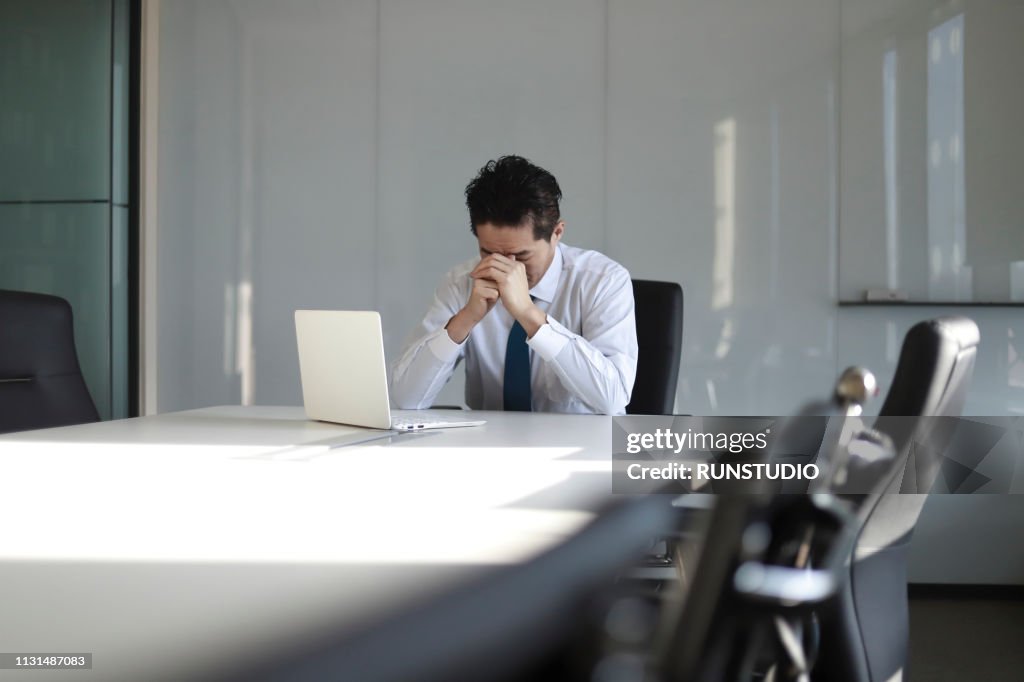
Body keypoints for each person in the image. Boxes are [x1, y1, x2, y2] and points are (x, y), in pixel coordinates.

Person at [390, 155, 637, 415]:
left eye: (521, 256)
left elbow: (613, 399)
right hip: (490, 447)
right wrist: (465, 320)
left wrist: (530, 316)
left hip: (582, 448)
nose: (507, 269)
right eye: (489, 253)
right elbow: (405, 399)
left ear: (557, 234)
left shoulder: (603, 281)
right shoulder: (462, 282)